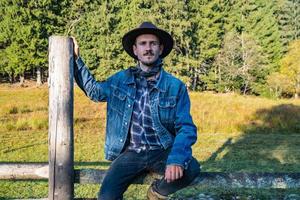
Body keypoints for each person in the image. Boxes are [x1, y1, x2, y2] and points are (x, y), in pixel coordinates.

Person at [72, 21, 200, 200]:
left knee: (191, 168)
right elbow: (95, 91)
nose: (148, 48)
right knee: (106, 197)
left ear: (160, 49)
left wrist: (176, 159)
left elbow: (186, 127)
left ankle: (157, 192)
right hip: (131, 152)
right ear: (135, 50)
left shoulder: (175, 86)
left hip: (162, 150)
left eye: (153, 43)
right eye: (143, 44)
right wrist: (76, 60)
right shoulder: (120, 80)